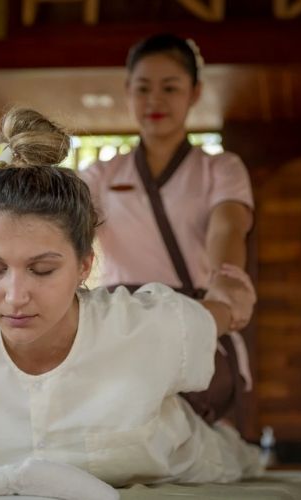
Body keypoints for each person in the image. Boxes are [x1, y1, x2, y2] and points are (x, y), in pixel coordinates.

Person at [0, 108, 262, 487]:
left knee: (234, 450)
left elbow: (226, 311)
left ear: (84, 265)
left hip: (190, 462)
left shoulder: (144, 327)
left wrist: (230, 284)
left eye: (42, 270)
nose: (15, 297)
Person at [78, 33, 256, 425]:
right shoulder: (98, 176)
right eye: (143, 88)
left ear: (194, 93)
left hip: (195, 318)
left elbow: (227, 227)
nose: (155, 100)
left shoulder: (221, 169)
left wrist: (225, 280)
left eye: (170, 87)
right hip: (118, 327)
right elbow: (64, 233)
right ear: (128, 92)